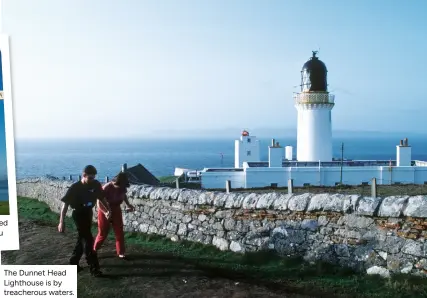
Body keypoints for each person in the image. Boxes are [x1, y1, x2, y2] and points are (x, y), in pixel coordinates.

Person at [58, 165, 112, 277]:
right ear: (84, 175)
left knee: (82, 238)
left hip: (88, 213)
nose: (92, 180)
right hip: (78, 214)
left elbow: (101, 198)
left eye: (93, 177)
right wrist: (61, 222)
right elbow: (65, 204)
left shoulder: (95, 184)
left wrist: (108, 210)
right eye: (90, 178)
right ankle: (94, 268)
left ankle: (73, 263)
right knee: (88, 240)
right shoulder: (75, 187)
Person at [94, 172, 135, 260]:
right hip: (105, 210)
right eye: (119, 187)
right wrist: (106, 212)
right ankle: (94, 249)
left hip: (116, 209)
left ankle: (121, 252)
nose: (121, 189)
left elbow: (124, 196)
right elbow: (99, 202)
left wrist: (128, 205)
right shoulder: (107, 187)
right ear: (116, 182)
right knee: (103, 233)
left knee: (119, 232)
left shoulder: (122, 187)